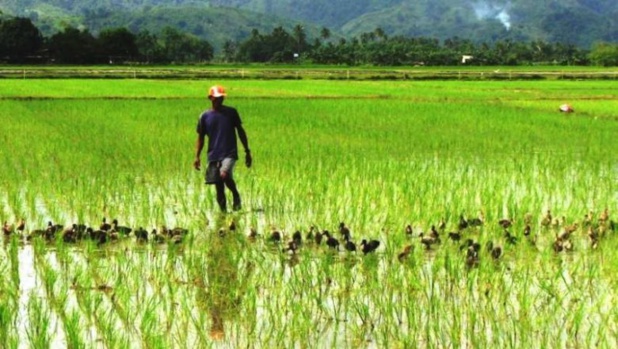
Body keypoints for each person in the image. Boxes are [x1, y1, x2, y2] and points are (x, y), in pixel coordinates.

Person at [194, 85, 252, 212]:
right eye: (217, 98)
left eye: (221, 98)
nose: (220, 100)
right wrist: (197, 156)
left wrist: (247, 151)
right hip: (213, 154)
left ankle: (236, 194)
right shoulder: (204, 116)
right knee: (218, 186)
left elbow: (241, 131)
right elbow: (200, 138)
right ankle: (223, 215)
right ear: (210, 98)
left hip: (229, 152)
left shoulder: (231, 112)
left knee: (224, 175)